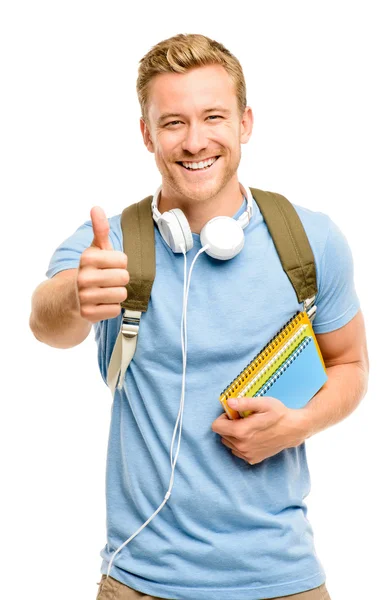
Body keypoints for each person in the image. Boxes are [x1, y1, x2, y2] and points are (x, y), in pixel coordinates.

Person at [29, 33, 369, 600]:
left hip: (284, 578)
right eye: (172, 123)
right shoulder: (111, 244)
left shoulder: (311, 240)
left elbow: (351, 363)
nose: (195, 141)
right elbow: (46, 321)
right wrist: (76, 297)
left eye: (214, 116)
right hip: (139, 583)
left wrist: (297, 425)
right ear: (146, 134)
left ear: (245, 122)